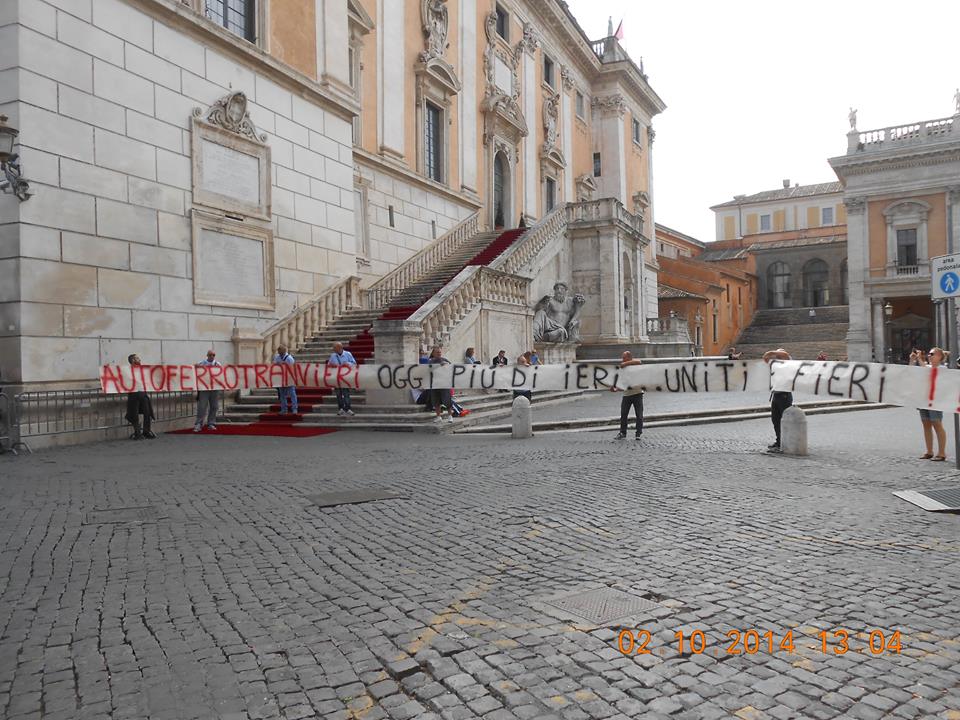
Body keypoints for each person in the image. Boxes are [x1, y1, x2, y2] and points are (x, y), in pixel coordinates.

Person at [912, 347, 948, 461]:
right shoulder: (926, 366)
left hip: (936, 400)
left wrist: (920, 360)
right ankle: (929, 451)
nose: (929, 356)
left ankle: (942, 453)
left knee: (937, 423)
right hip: (924, 399)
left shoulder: (943, 368)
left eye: (932, 354)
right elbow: (910, 373)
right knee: (926, 424)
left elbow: (931, 373)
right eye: (929, 354)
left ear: (939, 356)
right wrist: (913, 360)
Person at [761, 348, 792, 452]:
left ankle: (787, 443)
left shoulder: (788, 362)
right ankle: (779, 442)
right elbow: (765, 361)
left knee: (784, 421)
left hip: (785, 395)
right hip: (776, 395)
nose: (777, 357)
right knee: (776, 420)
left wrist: (770, 353)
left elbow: (785, 354)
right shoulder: (776, 366)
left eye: (779, 355)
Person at [611, 351, 644, 440]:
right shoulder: (623, 369)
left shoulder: (635, 365)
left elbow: (639, 361)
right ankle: (622, 432)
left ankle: (638, 433)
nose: (622, 359)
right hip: (626, 394)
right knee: (624, 414)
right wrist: (616, 389)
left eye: (624, 357)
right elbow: (623, 383)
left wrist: (625, 363)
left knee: (639, 415)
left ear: (629, 358)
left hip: (637, 393)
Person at [125, 353, 155, 440]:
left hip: (143, 394)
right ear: (133, 360)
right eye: (137, 358)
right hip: (134, 395)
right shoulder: (127, 370)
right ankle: (137, 433)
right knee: (134, 414)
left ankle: (146, 431)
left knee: (147, 413)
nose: (140, 360)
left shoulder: (143, 370)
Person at [194, 349, 221, 432]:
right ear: (207, 355)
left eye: (213, 355)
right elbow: (193, 368)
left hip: (214, 388)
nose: (212, 356)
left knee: (214, 406)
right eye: (210, 355)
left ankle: (211, 423)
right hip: (204, 388)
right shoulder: (201, 363)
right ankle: (199, 424)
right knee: (202, 406)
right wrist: (196, 366)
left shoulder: (218, 364)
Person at [328, 341, 356, 416]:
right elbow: (328, 365)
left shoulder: (348, 354)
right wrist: (331, 365)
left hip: (345, 377)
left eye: (335, 348)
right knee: (338, 394)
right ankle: (341, 408)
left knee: (346, 393)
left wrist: (347, 364)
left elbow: (354, 363)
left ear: (340, 348)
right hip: (336, 377)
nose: (334, 349)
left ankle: (348, 408)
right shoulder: (333, 356)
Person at [427, 346, 454, 423]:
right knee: (436, 401)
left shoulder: (445, 360)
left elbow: (452, 369)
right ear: (433, 353)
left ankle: (450, 416)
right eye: (437, 352)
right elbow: (428, 370)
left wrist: (447, 365)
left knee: (447, 400)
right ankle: (438, 416)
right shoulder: (430, 361)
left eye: (440, 352)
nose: (439, 354)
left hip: (444, 384)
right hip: (434, 384)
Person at [272, 345, 298, 415]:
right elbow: (274, 366)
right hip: (280, 378)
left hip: (289, 378)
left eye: (281, 352)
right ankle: (284, 409)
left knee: (292, 393)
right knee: (282, 394)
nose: (279, 353)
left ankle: (294, 409)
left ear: (284, 352)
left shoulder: (289, 358)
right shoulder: (277, 357)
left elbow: (293, 369)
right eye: (279, 352)